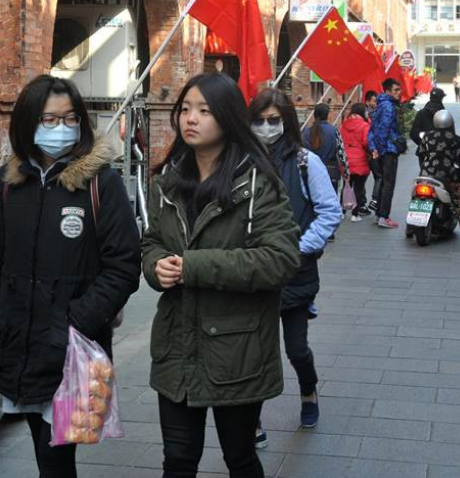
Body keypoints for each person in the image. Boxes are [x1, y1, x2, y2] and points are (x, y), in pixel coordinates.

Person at [142, 73, 300, 478]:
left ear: (227, 118)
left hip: (237, 350)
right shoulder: (168, 180)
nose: (190, 119)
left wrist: (193, 266)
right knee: (178, 460)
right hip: (177, 346)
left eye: (204, 111)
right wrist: (156, 266)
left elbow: (280, 259)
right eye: (185, 109)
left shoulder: (258, 182)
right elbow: (152, 242)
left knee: (239, 458)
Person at [0, 75, 141, 478]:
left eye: (69, 118)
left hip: (70, 353)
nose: (60, 128)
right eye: (49, 119)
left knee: (55, 461)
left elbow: (124, 265)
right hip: (15, 344)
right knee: (39, 447)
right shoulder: (9, 183)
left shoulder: (101, 183)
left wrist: (74, 321)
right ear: (28, 123)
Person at [248, 88, 341, 444]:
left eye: (273, 120)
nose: (266, 127)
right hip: (252, 275)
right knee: (254, 353)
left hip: (294, 274)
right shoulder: (240, 161)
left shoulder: (305, 162)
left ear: (286, 121)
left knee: (296, 349)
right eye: (259, 121)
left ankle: (308, 390)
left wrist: (297, 249)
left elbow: (329, 211)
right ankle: (251, 418)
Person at [368, 78, 403, 229]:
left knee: (383, 183)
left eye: (399, 90)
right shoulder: (388, 106)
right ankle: (384, 216)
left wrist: (374, 148)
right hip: (389, 150)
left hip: (382, 150)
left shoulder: (380, 105)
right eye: (396, 90)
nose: (399, 93)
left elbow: (371, 130)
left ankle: (379, 215)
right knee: (389, 184)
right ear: (388, 91)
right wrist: (381, 150)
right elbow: (383, 129)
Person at [418, 110, 460, 220]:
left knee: (418, 197)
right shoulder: (455, 139)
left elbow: (421, 153)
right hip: (447, 175)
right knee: (457, 198)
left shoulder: (427, 136)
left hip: (426, 174)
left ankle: (413, 222)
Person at [302, 103, 350, 193]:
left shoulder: (306, 132)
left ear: (314, 115)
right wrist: (346, 172)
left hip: (311, 172)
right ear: (327, 115)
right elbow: (341, 153)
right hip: (330, 172)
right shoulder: (333, 131)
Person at [340, 103, 371, 222]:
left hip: (346, 160)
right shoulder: (364, 125)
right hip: (359, 159)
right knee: (358, 188)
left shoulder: (344, 124)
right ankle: (355, 214)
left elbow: (340, 140)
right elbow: (366, 142)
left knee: (346, 186)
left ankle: (342, 212)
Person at [410, 87, 445, 167]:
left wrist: (423, 144)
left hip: (425, 152)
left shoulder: (421, 113)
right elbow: (450, 134)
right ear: (441, 98)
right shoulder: (444, 114)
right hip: (442, 152)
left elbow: (413, 134)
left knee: (425, 174)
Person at [364, 91, 382, 212]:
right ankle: (375, 200)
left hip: (363, 152)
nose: (376, 104)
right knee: (379, 177)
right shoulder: (373, 116)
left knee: (361, 180)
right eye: (374, 101)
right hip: (372, 151)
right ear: (367, 102)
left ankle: (360, 205)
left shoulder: (361, 116)